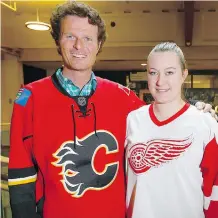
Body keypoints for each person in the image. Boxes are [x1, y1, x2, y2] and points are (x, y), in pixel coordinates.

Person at [8, 2, 215, 218]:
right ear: (58, 41)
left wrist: (199, 113)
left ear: (99, 44)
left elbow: (163, 119)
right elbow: (20, 181)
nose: (79, 46)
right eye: (70, 36)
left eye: (88, 38)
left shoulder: (122, 97)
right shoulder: (29, 99)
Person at [126, 42, 218, 218]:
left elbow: (214, 193)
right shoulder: (132, 120)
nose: (160, 81)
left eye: (169, 72)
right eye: (153, 73)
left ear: (184, 74)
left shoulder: (206, 125)